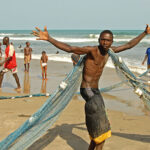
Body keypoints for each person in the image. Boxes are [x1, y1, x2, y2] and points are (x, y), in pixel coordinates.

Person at [32, 25, 150, 150]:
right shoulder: (92, 51)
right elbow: (70, 48)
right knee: (102, 134)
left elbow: (128, 45)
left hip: (96, 91)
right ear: (99, 40)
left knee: (97, 129)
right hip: (87, 90)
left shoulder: (110, 52)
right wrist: (49, 38)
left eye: (108, 40)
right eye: (102, 39)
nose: (105, 42)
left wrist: (144, 33)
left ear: (112, 42)